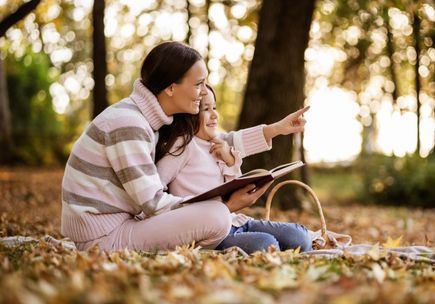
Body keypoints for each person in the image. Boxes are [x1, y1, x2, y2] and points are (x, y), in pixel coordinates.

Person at [61, 41, 306, 252]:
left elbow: (216, 141)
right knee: (218, 216)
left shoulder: (147, 119)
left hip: (118, 224)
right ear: (171, 87)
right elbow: (153, 203)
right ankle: (222, 243)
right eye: (198, 84)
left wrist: (275, 129)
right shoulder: (128, 123)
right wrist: (228, 205)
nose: (202, 94)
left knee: (222, 215)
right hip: (103, 236)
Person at [156, 85, 312, 254]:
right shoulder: (180, 148)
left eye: (214, 107)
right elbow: (156, 191)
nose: (215, 114)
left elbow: (233, 180)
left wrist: (230, 160)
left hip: (236, 221)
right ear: (188, 113)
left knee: (299, 237)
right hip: (211, 233)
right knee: (267, 244)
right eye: (206, 109)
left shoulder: (218, 142)